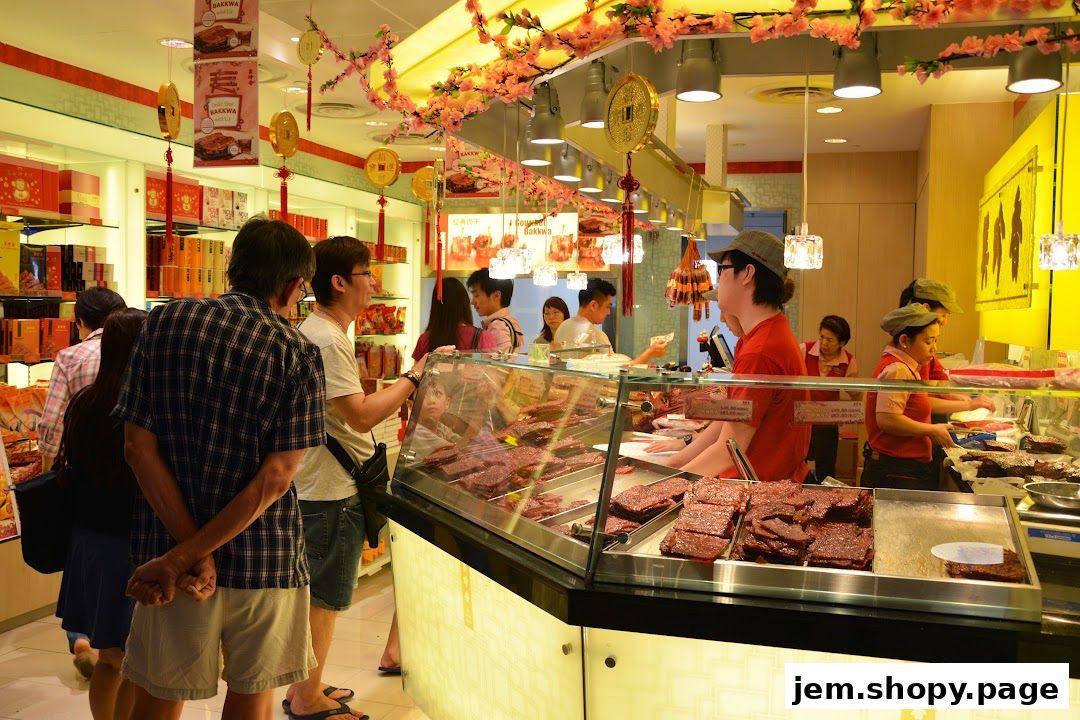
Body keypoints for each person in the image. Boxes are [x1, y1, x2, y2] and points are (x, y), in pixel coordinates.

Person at [114, 217, 327, 720]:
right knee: (252, 697)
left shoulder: (162, 323)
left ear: (231, 269)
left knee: (159, 699)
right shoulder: (297, 352)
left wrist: (182, 554)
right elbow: (277, 478)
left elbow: (137, 449)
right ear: (294, 285)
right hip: (264, 556)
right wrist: (192, 554)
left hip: (168, 553)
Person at [287, 236, 441, 718]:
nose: (374, 282)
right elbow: (359, 416)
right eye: (365, 273)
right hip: (331, 488)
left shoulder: (321, 332)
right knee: (326, 599)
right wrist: (414, 377)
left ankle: (303, 687)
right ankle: (307, 697)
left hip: (320, 481)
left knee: (318, 595)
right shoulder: (328, 338)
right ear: (338, 282)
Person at [56, 308, 145, 720]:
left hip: (91, 541)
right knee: (129, 660)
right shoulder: (143, 408)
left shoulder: (85, 404)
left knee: (112, 658)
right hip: (131, 545)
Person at [664, 230, 810, 481]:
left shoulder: (761, 350)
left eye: (722, 269)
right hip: (759, 483)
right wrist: (674, 464)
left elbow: (728, 449)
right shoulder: (758, 337)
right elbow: (729, 422)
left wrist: (666, 485)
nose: (717, 279)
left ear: (748, 274)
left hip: (760, 489)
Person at [37, 286, 126, 680]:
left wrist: (49, 472)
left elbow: (50, 429)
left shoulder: (71, 357)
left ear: (80, 321)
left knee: (85, 557)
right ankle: (116, 643)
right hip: (134, 484)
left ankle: (83, 639)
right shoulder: (147, 354)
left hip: (86, 480)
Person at [862, 304, 958, 490]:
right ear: (905, 340)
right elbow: (887, 420)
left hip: (901, 467)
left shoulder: (908, 367)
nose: (934, 349)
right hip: (896, 470)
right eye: (928, 342)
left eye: (936, 341)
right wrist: (931, 430)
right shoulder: (898, 369)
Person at [552, 278, 668, 365]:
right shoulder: (595, 334)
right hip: (587, 396)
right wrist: (650, 352)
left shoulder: (562, 326)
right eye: (608, 306)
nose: (608, 312)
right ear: (593, 305)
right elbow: (621, 370)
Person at [803, 315, 859, 481]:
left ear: (842, 343)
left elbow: (856, 394)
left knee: (826, 471)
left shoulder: (848, 361)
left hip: (827, 424)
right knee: (798, 466)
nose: (824, 343)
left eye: (830, 340)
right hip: (801, 421)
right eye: (822, 337)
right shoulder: (804, 350)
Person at [412, 277, 497, 360]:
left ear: (435, 307)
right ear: (464, 304)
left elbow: (416, 372)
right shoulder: (483, 337)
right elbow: (493, 371)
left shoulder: (424, 340)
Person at [466, 268, 524, 354]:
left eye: (476, 295)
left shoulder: (497, 326)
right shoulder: (512, 321)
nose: (472, 302)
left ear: (496, 296)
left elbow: (499, 363)